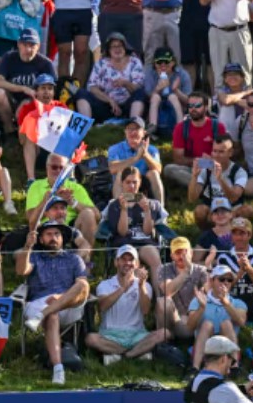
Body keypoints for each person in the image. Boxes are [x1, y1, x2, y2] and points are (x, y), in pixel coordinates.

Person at [18, 221, 89, 385]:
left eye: (57, 234)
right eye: (48, 234)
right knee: (52, 315)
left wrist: (61, 297)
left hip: (68, 304)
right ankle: (58, 368)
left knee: (83, 285)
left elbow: (82, 287)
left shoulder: (74, 259)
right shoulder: (34, 257)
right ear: (41, 239)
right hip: (39, 302)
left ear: (62, 238)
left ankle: (43, 314)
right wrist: (27, 247)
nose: (53, 238)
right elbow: (21, 271)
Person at [86, 245, 169, 364]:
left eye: (131, 260)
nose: (127, 263)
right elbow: (103, 306)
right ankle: (137, 353)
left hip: (137, 334)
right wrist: (123, 288)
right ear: (116, 262)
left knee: (165, 333)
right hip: (110, 334)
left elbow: (145, 310)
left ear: (137, 264)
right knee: (91, 339)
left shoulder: (145, 285)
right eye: (123, 259)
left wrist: (141, 286)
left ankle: (124, 355)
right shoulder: (105, 284)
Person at [24, 153, 100, 248]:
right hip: (46, 229)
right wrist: (48, 201)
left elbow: (96, 215)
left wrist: (72, 202)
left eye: (62, 168)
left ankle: (86, 255)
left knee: (88, 214)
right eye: (54, 167)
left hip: (72, 229)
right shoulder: (36, 186)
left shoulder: (76, 188)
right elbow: (30, 218)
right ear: (47, 168)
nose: (58, 171)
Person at [0, 29, 55, 135]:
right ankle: (9, 130)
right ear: (19, 44)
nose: (28, 49)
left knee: (23, 110)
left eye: (32, 46)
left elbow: (51, 92)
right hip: (11, 98)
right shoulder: (9, 57)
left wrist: (32, 99)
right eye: (25, 45)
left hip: (33, 100)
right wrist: (23, 89)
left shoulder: (46, 64)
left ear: (38, 46)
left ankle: (26, 134)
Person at [187, 266, 249, 368]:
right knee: (207, 324)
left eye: (229, 280)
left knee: (226, 324)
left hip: (226, 348)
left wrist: (226, 303)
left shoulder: (238, 303)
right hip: (205, 347)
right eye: (222, 279)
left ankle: (235, 367)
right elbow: (189, 326)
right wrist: (201, 308)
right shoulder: (198, 300)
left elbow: (242, 322)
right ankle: (195, 367)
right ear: (212, 281)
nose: (226, 282)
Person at [78, 33, 146, 123]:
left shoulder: (134, 62)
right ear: (108, 50)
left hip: (128, 104)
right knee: (81, 93)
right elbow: (92, 87)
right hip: (107, 106)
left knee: (140, 93)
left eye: (120, 46)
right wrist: (109, 100)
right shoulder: (101, 64)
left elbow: (138, 87)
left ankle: (134, 124)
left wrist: (126, 83)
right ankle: (86, 127)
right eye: (113, 46)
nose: (117, 49)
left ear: (125, 47)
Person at [189, 134, 252, 230]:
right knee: (200, 211)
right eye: (214, 151)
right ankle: (209, 233)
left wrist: (220, 179)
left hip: (232, 210)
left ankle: (234, 232)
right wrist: (194, 176)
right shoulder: (205, 169)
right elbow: (192, 198)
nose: (217, 155)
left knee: (248, 211)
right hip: (212, 210)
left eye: (221, 152)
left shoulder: (239, 171)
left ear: (230, 153)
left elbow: (234, 198)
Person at [156, 236, 210, 340]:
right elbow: (168, 291)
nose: (182, 256)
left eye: (185, 252)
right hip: (173, 320)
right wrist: (186, 272)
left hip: (193, 320)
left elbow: (211, 292)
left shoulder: (201, 270)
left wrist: (209, 266)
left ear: (192, 253)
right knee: (163, 302)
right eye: (177, 253)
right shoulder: (164, 268)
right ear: (171, 256)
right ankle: (165, 339)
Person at [217, 218, 253, 323]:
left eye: (242, 233)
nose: (238, 237)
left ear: (249, 235)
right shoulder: (223, 258)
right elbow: (221, 288)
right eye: (235, 234)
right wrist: (239, 274)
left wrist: (249, 269)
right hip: (232, 301)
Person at [107, 118, 165, 202]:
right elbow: (112, 169)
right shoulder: (115, 149)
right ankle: (118, 207)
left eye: (137, 129)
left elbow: (159, 169)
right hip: (123, 192)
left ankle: (160, 208)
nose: (133, 132)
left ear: (144, 133)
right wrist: (135, 158)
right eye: (130, 129)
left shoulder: (152, 149)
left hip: (144, 191)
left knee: (153, 173)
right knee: (120, 173)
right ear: (125, 131)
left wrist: (145, 155)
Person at [146, 47, 192, 132]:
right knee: (155, 97)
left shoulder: (182, 74)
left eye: (166, 62)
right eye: (159, 62)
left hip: (177, 108)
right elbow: (147, 98)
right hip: (157, 109)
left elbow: (189, 101)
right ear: (154, 63)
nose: (163, 65)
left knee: (172, 97)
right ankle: (152, 127)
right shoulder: (150, 73)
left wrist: (176, 91)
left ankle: (180, 128)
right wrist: (157, 89)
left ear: (173, 62)